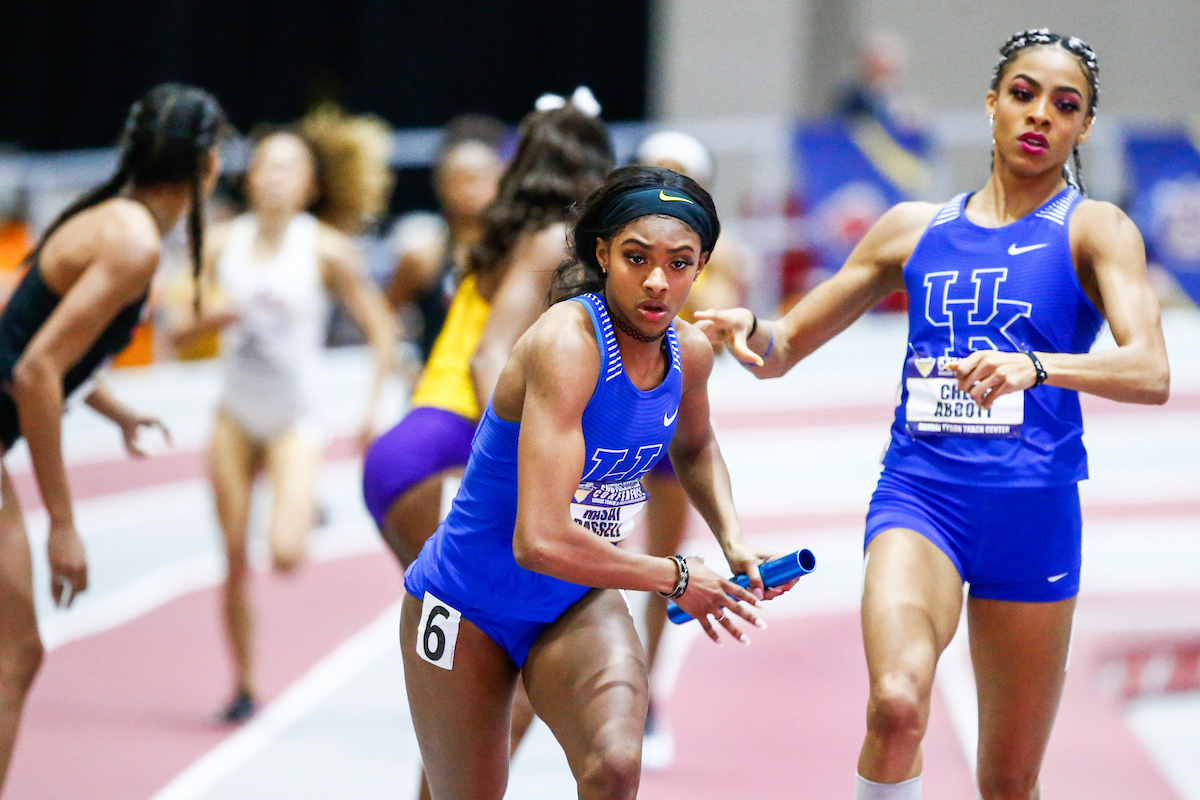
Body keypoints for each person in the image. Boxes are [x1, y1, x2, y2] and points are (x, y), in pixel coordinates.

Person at [696, 30, 1170, 800]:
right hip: (922, 501)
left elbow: (1151, 368)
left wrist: (1040, 365)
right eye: (1022, 94)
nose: (1039, 115)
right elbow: (784, 345)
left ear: (1083, 128)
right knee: (896, 704)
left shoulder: (1094, 229)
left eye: (1065, 104)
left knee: (1009, 783)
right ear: (990, 105)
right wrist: (749, 330)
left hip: (1033, 515)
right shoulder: (912, 229)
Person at [401, 165, 793, 800]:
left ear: (703, 267)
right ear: (602, 253)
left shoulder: (688, 353)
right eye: (637, 258)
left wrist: (734, 540)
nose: (658, 282)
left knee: (614, 764)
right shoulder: (567, 343)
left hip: (574, 597)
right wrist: (677, 576)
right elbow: (540, 542)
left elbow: (694, 446)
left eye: (680, 263)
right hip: (465, 604)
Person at [363, 101, 614, 800]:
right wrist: (513, 465)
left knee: (471, 660)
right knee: (501, 659)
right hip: (452, 441)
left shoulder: (498, 229)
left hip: (409, 448)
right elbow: (488, 358)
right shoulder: (559, 239)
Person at [0, 83, 226, 791]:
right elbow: (37, 369)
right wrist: (64, 525)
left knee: (16, 653)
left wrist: (118, 411)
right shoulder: (131, 243)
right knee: (13, 654)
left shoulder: (111, 221)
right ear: (208, 165)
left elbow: (31, 340)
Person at [171, 112, 397, 723]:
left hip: (295, 418)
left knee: (287, 554)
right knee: (234, 557)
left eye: (287, 168)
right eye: (265, 166)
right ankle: (243, 684)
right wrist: (209, 320)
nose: (272, 178)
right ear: (250, 179)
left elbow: (383, 331)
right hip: (234, 417)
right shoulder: (221, 242)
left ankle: (304, 508)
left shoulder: (324, 248)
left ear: (309, 186)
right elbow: (172, 330)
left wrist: (373, 409)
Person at [633, 129, 753, 766]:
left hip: (670, 426)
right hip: (609, 418)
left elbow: (724, 327)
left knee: (663, 563)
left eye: (677, 175)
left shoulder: (716, 252)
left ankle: (644, 689)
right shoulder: (622, 244)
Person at [384, 115, 506, 363]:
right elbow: (383, 315)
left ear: (501, 180)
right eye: (460, 179)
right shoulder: (424, 258)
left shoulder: (516, 255)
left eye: (480, 178)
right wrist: (405, 365)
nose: (470, 190)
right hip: (440, 390)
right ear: (441, 185)